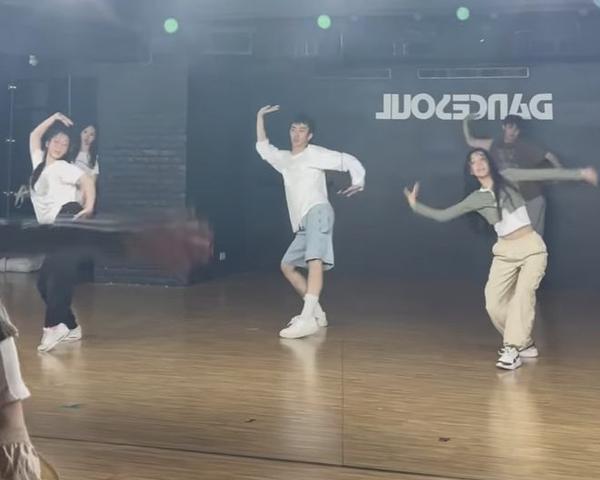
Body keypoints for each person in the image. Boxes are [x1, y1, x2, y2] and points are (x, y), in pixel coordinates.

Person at [404, 148, 597, 370]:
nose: (479, 163)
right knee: (493, 304)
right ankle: (524, 343)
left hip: (531, 247)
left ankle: (512, 349)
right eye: (473, 162)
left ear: (489, 162)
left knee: (522, 296)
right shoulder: (476, 198)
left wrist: (580, 174)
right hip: (504, 252)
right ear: (471, 170)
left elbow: (542, 174)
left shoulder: (508, 176)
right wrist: (415, 205)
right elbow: (443, 215)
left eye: (482, 158)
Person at [255, 105, 366, 339]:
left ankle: (306, 319)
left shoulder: (314, 153)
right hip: (303, 222)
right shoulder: (285, 159)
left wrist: (358, 180)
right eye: (293, 129)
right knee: (287, 266)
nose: (296, 134)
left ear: (310, 135)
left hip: (318, 211)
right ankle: (317, 314)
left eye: (302, 130)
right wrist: (259, 117)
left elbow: (347, 160)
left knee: (314, 260)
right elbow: (264, 148)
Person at [28, 112, 96, 352]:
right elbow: (34, 135)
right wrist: (53, 117)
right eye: (56, 141)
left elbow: (87, 180)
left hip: (68, 217)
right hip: (53, 228)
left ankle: (53, 326)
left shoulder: (63, 167)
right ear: (48, 143)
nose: (59, 146)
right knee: (43, 284)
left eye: (65, 144)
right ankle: (71, 326)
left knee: (58, 278)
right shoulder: (39, 165)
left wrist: (89, 206)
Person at [463, 114, 562, 236]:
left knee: (533, 238)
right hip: (511, 202)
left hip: (531, 199)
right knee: (512, 237)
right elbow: (471, 141)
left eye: (517, 129)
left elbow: (549, 156)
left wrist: (559, 171)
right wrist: (466, 122)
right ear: (504, 127)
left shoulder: (525, 145)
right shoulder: (494, 144)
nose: (513, 132)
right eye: (511, 127)